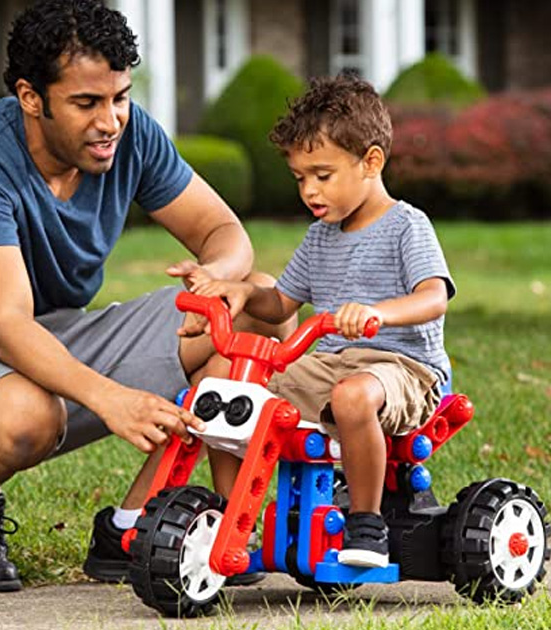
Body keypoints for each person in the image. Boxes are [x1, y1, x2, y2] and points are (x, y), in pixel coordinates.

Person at [0, 0, 283, 592]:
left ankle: (134, 528)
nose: (111, 120)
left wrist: (222, 278)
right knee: (27, 420)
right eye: (86, 103)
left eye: (119, 97)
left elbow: (223, 233)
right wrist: (111, 399)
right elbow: (6, 325)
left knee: (257, 304)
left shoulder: (131, 136)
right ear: (30, 97)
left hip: (64, 330)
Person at [190, 73, 455, 568]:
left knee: (352, 396)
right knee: (223, 390)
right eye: (300, 178)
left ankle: (366, 522)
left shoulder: (406, 225)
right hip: (329, 364)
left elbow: (434, 297)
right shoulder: (320, 236)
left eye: (323, 175)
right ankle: (230, 520)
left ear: (371, 161)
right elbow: (281, 306)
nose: (309, 190)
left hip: (403, 368)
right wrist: (244, 291)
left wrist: (377, 312)